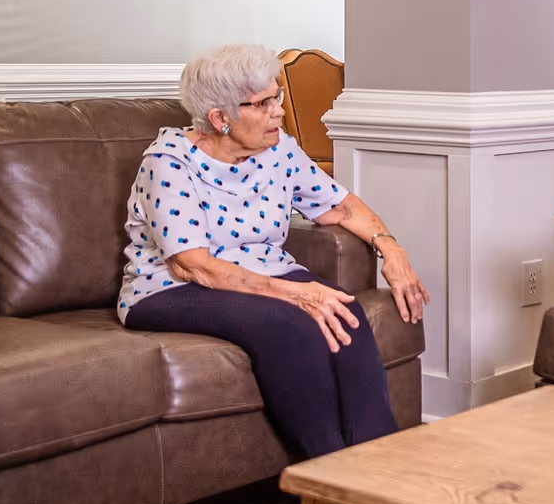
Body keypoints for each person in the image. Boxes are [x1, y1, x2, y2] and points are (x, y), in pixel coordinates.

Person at [117, 43, 428, 458]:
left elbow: (341, 206)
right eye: (264, 103)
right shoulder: (169, 162)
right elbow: (193, 265)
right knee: (290, 325)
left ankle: (379, 469)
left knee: (343, 310)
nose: (279, 111)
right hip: (171, 288)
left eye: (276, 97)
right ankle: (328, 475)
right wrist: (297, 293)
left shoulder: (278, 149)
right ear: (219, 118)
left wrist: (392, 250)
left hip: (262, 272)